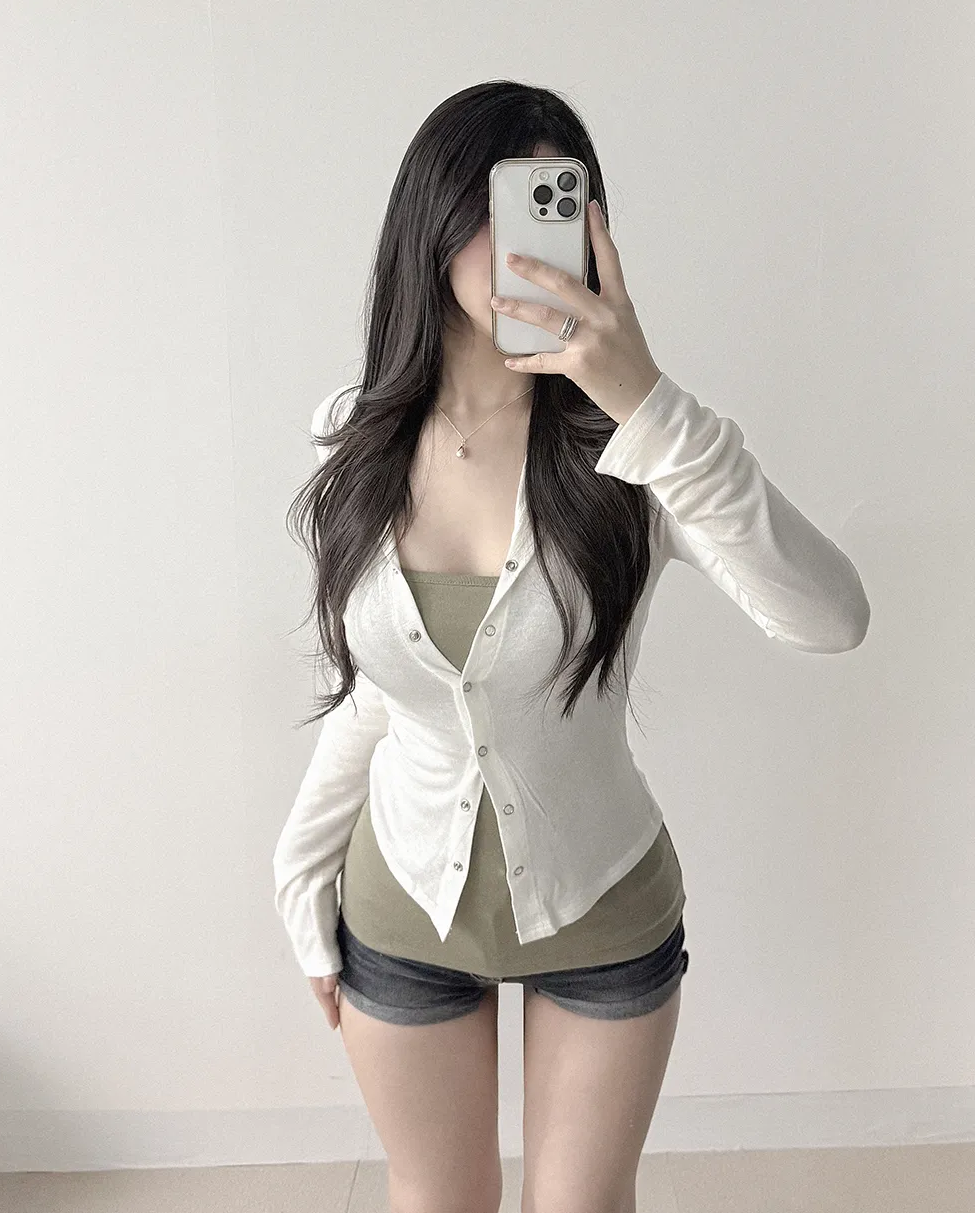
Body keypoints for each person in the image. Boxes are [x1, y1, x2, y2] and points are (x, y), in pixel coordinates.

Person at [273, 80, 870, 1213]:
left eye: (554, 205)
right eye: (499, 206)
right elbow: (377, 695)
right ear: (431, 224)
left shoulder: (641, 449)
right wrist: (297, 873)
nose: (528, 245)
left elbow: (831, 618)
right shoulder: (350, 435)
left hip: (604, 905)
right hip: (401, 904)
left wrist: (649, 404)